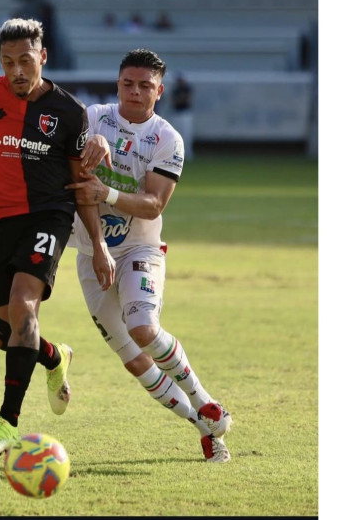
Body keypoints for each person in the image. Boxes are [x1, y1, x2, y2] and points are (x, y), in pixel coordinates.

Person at [0, 18, 115, 457]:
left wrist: (99, 245)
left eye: (25, 61)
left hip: (48, 215)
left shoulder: (68, 113)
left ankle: (7, 423)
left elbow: (80, 184)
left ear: (43, 57)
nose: (17, 70)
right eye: (8, 62)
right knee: (3, 332)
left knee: (22, 305)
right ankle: (54, 357)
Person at [66, 49, 233, 462]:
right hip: (91, 252)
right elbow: (74, 176)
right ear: (118, 83)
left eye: (145, 86)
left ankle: (204, 398)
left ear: (159, 91)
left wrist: (106, 192)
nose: (135, 92)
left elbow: (153, 204)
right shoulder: (92, 117)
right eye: (128, 84)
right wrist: (92, 142)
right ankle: (206, 428)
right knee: (134, 359)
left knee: (143, 326)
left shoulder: (167, 139)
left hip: (140, 248)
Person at [168, 72, 194, 161]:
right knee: (176, 135)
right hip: (176, 113)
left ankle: (188, 154)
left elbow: (186, 100)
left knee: (186, 134)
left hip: (185, 113)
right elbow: (175, 101)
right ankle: (177, 154)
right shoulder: (175, 90)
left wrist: (180, 99)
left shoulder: (187, 88)